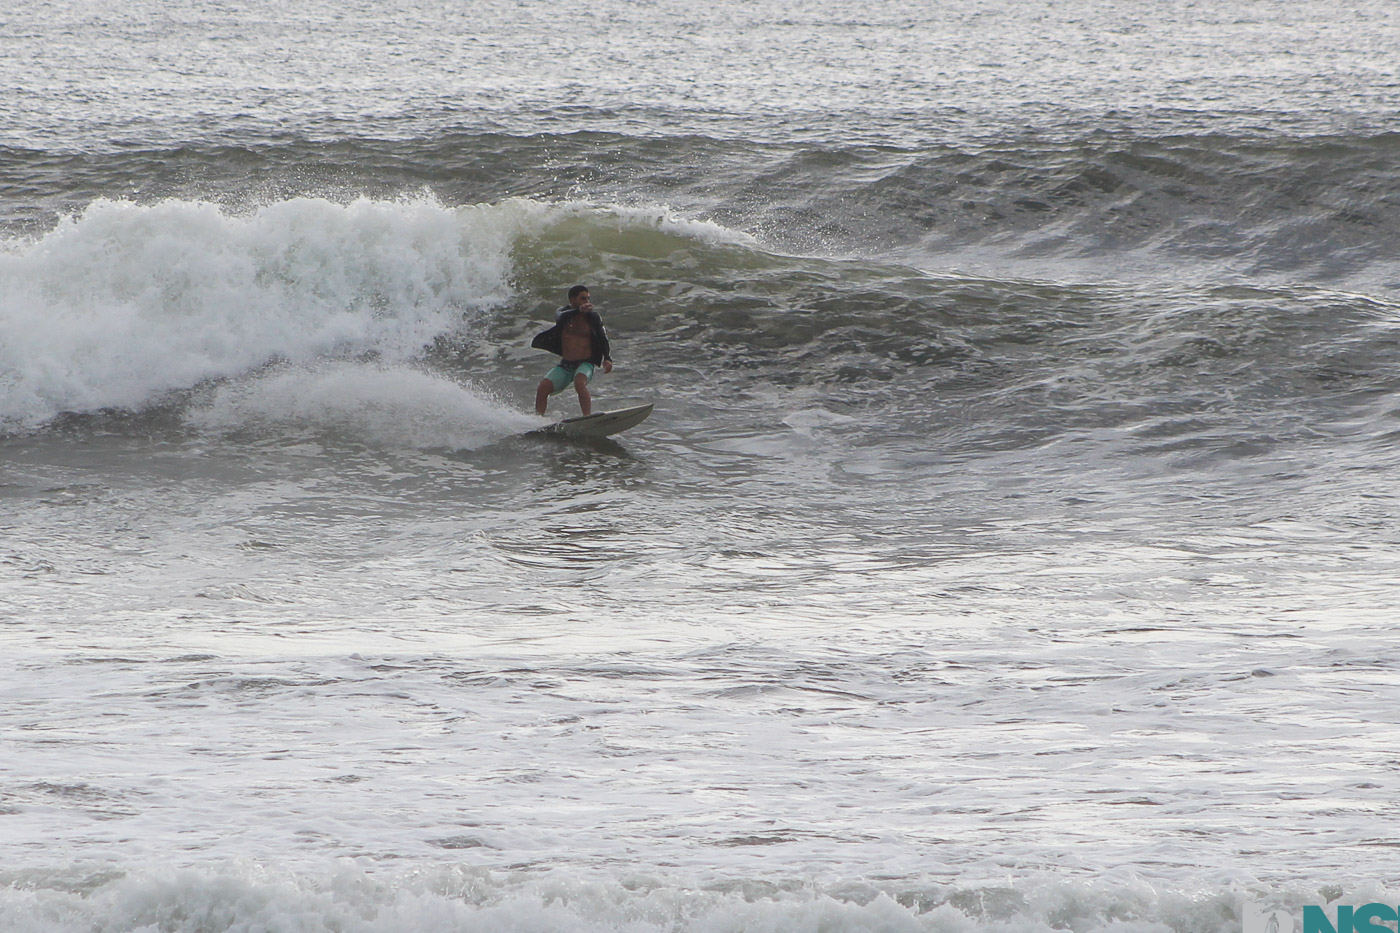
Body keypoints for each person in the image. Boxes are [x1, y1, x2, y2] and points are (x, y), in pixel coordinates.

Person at [531, 285, 614, 416]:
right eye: (583, 299)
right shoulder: (564, 314)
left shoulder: (593, 317)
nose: (587, 302)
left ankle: (587, 417)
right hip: (566, 365)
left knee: (579, 382)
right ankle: (538, 419)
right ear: (572, 300)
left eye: (588, 299)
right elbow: (560, 316)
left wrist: (607, 358)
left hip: (585, 363)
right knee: (543, 388)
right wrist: (578, 311)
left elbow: (603, 338)